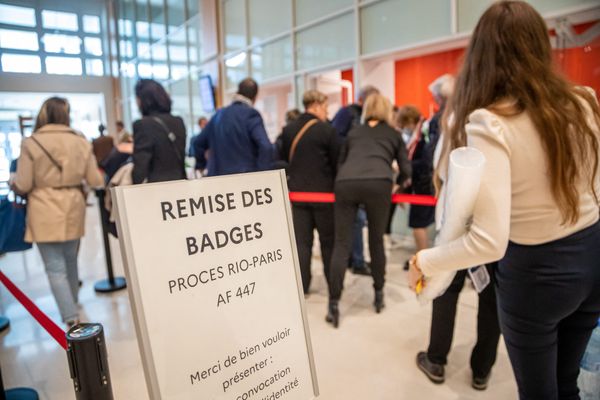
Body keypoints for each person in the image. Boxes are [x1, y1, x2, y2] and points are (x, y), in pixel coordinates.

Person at [408, 2, 600, 399]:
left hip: (537, 275)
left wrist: (425, 260)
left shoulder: (489, 122)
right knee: (568, 384)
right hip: (592, 257)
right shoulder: (583, 100)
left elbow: (489, 241)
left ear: (482, 55)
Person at [12, 97, 103, 326]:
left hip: (43, 207)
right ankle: (72, 303)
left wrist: (12, 180)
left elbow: (23, 184)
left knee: (55, 267)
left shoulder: (31, 143)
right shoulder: (80, 141)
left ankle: (70, 316)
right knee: (71, 261)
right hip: (73, 205)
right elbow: (95, 179)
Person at [327, 94, 411, 327]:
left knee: (341, 243)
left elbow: (340, 163)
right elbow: (406, 168)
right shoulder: (393, 134)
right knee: (376, 240)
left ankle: (333, 303)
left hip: (346, 183)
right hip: (379, 183)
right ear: (386, 111)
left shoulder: (354, 132)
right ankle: (378, 295)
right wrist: (398, 183)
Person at [279, 90, 340, 294]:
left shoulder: (288, 130)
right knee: (328, 243)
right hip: (324, 196)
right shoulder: (327, 130)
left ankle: (303, 286)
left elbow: (279, 160)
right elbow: (336, 162)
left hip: (297, 195)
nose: (326, 112)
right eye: (325, 107)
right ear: (315, 104)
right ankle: (333, 286)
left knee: (302, 244)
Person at [416, 263, 501, 390]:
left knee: (446, 287)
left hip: (457, 244)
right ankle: (482, 370)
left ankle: (435, 360)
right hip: (496, 248)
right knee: (491, 299)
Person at [332, 85, 380, 275]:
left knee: (358, 221)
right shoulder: (347, 114)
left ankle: (356, 259)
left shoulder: (365, 118)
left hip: (359, 174)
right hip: (348, 176)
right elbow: (336, 140)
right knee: (356, 220)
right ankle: (356, 261)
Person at [193, 78, 272, 176]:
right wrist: (262, 174)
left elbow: (197, 143)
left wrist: (202, 165)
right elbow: (266, 146)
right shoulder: (251, 115)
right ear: (254, 97)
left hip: (217, 181)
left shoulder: (218, 115)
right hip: (243, 181)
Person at [132, 79, 186, 184]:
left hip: (156, 189)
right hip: (180, 184)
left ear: (143, 100)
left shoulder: (142, 125)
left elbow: (140, 167)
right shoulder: (178, 121)